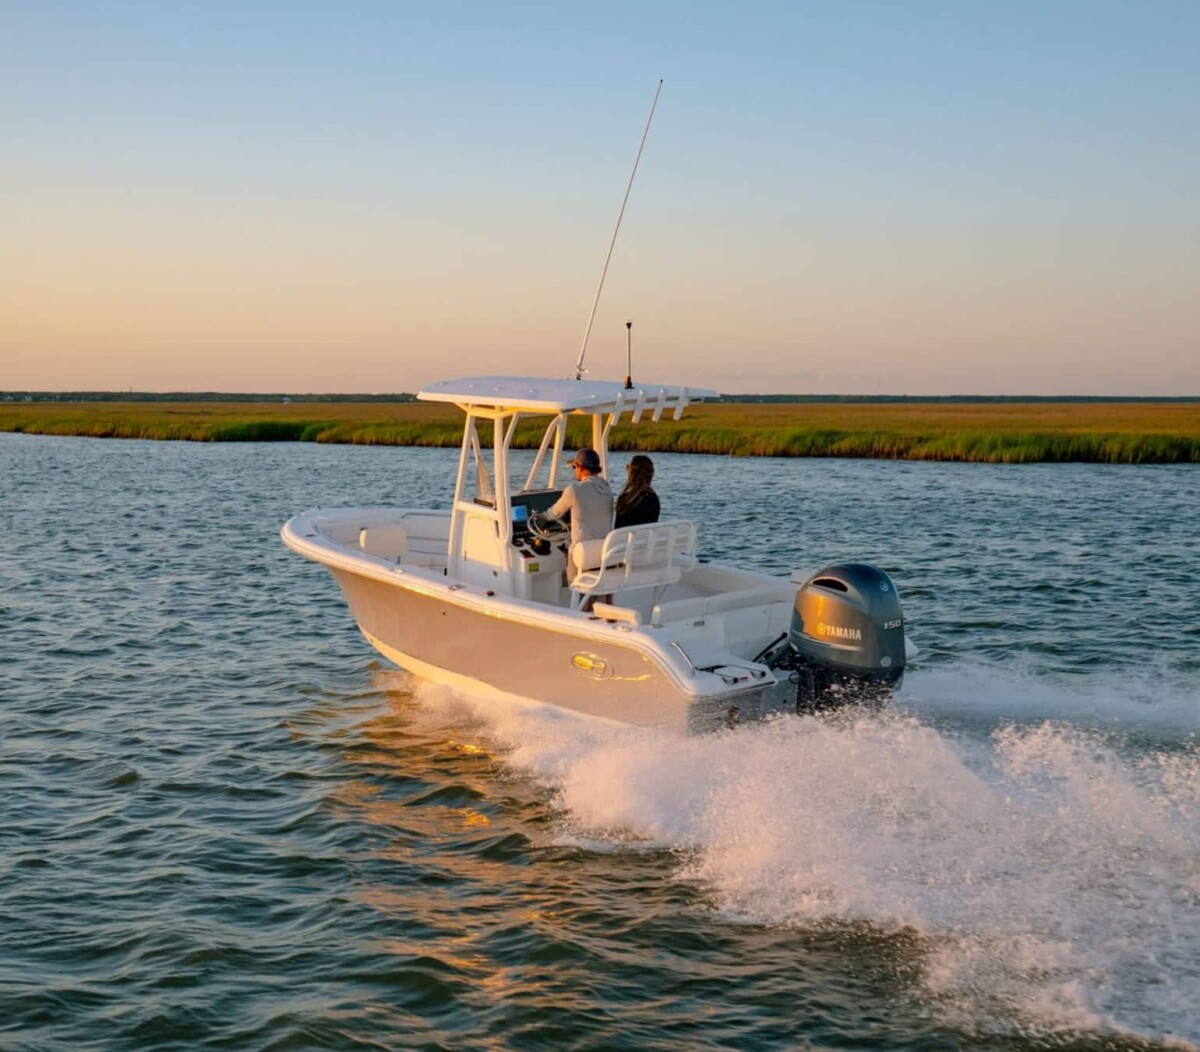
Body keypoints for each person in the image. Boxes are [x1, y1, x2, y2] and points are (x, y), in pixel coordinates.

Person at [543, 448, 614, 548]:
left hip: (581, 553)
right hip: (603, 550)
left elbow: (552, 514)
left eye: (574, 467)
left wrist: (538, 517)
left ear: (579, 467)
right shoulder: (607, 489)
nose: (574, 470)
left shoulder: (573, 490)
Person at [614, 454, 660, 529]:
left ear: (631, 473)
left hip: (627, 540)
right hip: (646, 540)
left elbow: (618, 529)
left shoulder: (624, 500)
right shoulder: (654, 499)